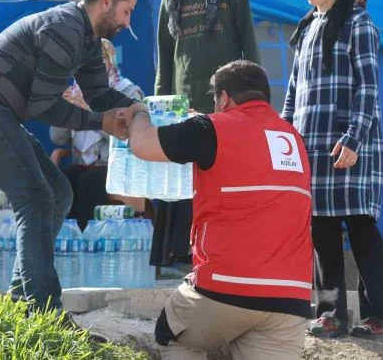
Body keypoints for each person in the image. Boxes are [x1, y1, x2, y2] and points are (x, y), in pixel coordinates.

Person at [0, 0, 138, 317]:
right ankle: (44, 309)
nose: (127, 22)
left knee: (59, 193)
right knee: (33, 197)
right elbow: (43, 105)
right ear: (106, 2)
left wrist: (137, 110)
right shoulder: (64, 28)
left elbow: (99, 95)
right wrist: (102, 122)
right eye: (127, 11)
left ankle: (21, 301)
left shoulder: (88, 40)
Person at [125, 60, 313, 360]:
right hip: (292, 301)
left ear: (223, 97)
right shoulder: (294, 138)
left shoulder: (209, 129)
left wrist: (138, 113)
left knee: (171, 333)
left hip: (225, 290)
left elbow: (142, 144)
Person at [282, 0, 383, 339]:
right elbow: (293, 92)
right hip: (311, 147)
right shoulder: (307, 28)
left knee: (362, 230)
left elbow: (368, 89)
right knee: (322, 231)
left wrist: (353, 138)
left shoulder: (359, 24)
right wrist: (284, 138)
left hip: (351, 147)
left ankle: (381, 316)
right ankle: (331, 314)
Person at [153, 0, 260, 267]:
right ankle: (182, 252)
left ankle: (225, 250)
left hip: (227, 103)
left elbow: (249, 46)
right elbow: (165, 61)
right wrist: (161, 109)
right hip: (184, 103)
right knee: (184, 180)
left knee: (222, 175)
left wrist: (253, 97)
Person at [49, 38, 144, 230]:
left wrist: (90, 113)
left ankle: (90, 239)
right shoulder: (75, 91)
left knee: (89, 181)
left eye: (100, 60)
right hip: (83, 164)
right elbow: (57, 138)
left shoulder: (127, 91)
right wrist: (63, 111)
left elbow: (129, 135)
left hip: (116, 166)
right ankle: (64, 239)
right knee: (65, 178)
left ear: (111, 61)